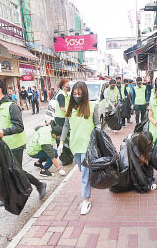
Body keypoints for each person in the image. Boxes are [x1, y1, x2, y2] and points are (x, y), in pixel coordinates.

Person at [0, 78, 47, 204]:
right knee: (4, 171)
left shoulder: (12, 106)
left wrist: (5, 131)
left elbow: (19, 126)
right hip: (1, 145)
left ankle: (39, 184)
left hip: (15, 144)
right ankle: (8, 196)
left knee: (15, 170)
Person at [57, 81, 101, 215]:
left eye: (80, 94)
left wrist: (99, 140)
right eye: (74, 94)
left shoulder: (92, 106)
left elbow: (98, 124)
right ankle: (89, 186)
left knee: (85, 175)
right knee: (83, 171)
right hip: (75, 145)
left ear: (85, 94)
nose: (77, 96)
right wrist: (61, 141)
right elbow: (66, 125)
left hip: (88, 145)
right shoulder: (71, 109)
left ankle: (86, 200)